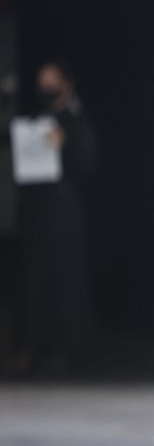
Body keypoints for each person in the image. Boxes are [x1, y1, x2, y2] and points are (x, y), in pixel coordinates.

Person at [14, 60, 98, 374]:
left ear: (66, 84)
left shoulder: (77, 122)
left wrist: (66, 145)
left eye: (52, 82)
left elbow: (86, 163)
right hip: (37, 213)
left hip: (65, 214)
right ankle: (30, 347)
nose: (46, 89)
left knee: (65, 279)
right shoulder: (38, 119)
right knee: (33, 279)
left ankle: (67, 350)